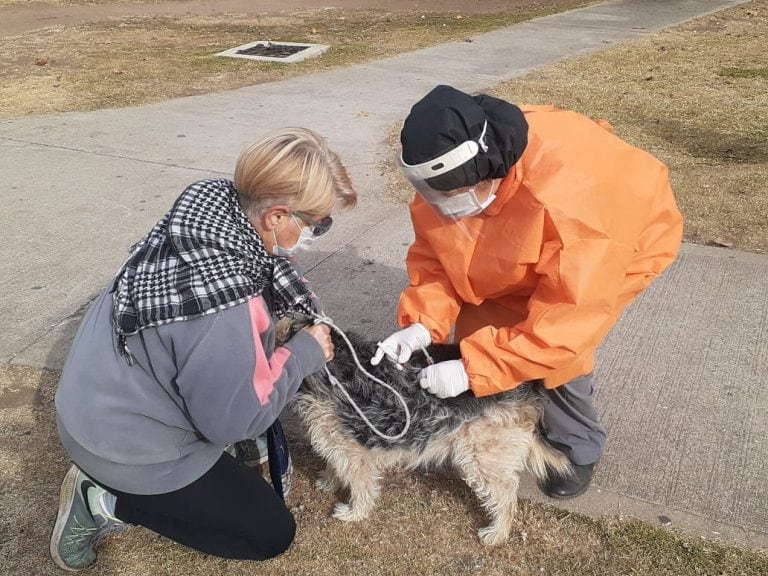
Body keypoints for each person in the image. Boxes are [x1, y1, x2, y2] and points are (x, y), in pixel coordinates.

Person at [50, 127, 357, 571]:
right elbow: (233, 422)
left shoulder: (205, 218)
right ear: (275, 216)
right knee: (269, 532)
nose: (317, 234)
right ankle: (106, 502)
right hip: (126, 449)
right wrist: (305, 352)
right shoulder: (223, 306)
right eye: (316, 224)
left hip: (89, 408)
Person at [372, 85, 683, 498]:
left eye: (449, 197)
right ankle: (509, 411)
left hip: (617, 245)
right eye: (433, 196)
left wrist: (472, 369)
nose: (439, 206)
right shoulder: (448, 178)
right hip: (524, 232)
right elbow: (438, 259)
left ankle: (576, 445)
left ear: (490, 173)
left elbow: (566, 323)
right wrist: (421, 324)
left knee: (557, 360)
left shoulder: (576, 209)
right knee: (483, 326)